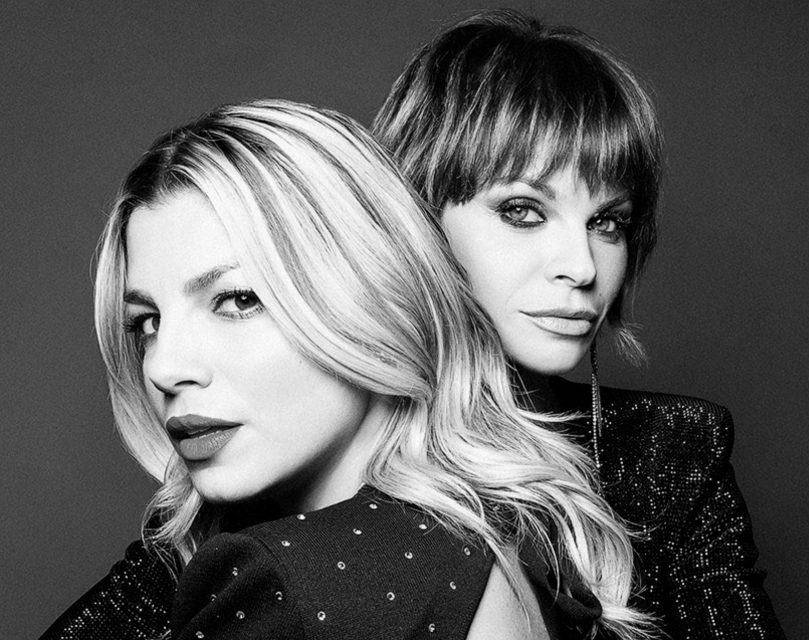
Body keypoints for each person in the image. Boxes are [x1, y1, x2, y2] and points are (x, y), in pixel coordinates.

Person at [41, 99, 655, 639]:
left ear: (374, 300)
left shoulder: (281, 582)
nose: (163, 367)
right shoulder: (500, 542)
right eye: (146, 322)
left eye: (238, 300)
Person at [371, 9, 786, 639]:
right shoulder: (316, 445)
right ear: (415, 217)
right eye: (523, 211)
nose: (583, 266)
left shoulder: (671, 451)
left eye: (607, 222)